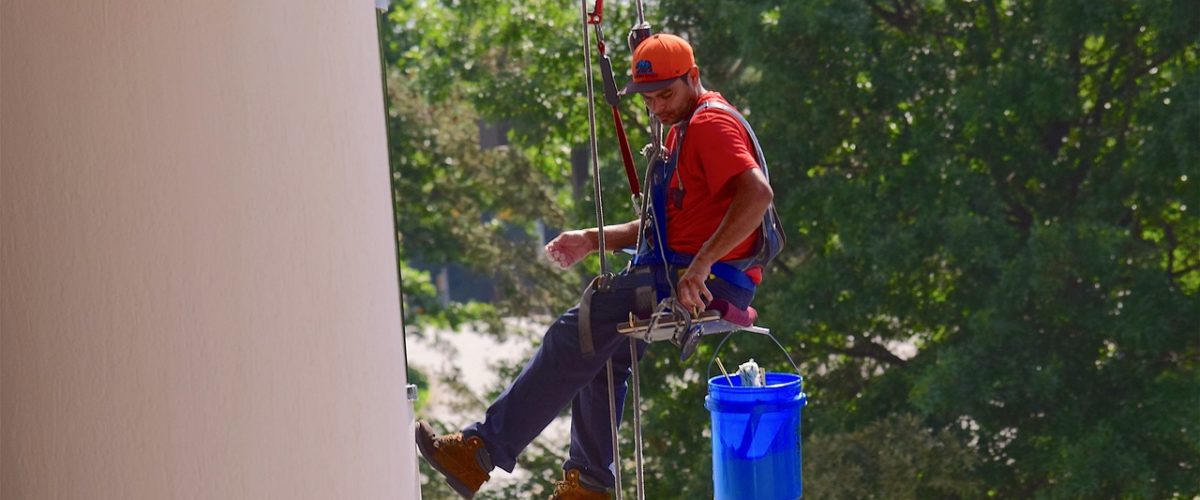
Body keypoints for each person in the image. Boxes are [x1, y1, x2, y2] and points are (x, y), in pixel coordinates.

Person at [415, 33, 774, 499]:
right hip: (682, 271)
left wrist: (702, 266)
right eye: (649, 99)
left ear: (694, 78)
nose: (658, 107)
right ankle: (587, 484)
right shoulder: (682, 131)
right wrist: (591, 239)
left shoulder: (709, 125)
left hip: (706, 280)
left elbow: (757, 194)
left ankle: (481, 450)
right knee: (602, 349)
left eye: (666, 94)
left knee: (578, 329)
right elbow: (659, 230)